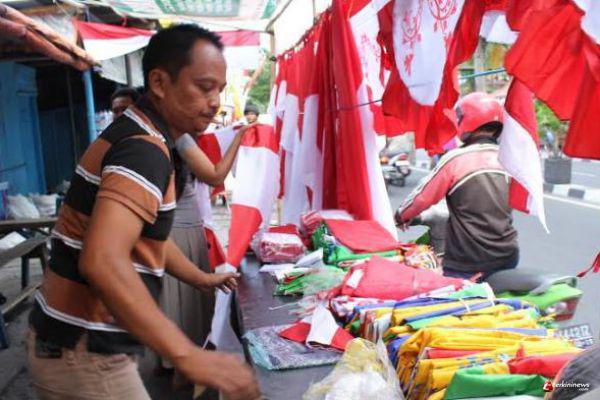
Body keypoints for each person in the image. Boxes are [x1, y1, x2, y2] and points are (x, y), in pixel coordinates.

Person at [27, 24, 261, 400]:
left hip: (75, 343)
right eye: (204, 87)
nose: (215, 102)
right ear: (159, 82)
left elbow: (143, 237)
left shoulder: (146, 137)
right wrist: (187, 355)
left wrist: (200, 278)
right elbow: (103, 261)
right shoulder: (143, 150)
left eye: (219, 89)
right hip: (82, 349)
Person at [395, 92, 519, 280]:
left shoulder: (456, 159)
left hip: (467, 260)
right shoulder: (510, 159)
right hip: (508, 255)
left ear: (464, 120)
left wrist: (401, 216)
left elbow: (421, 198)